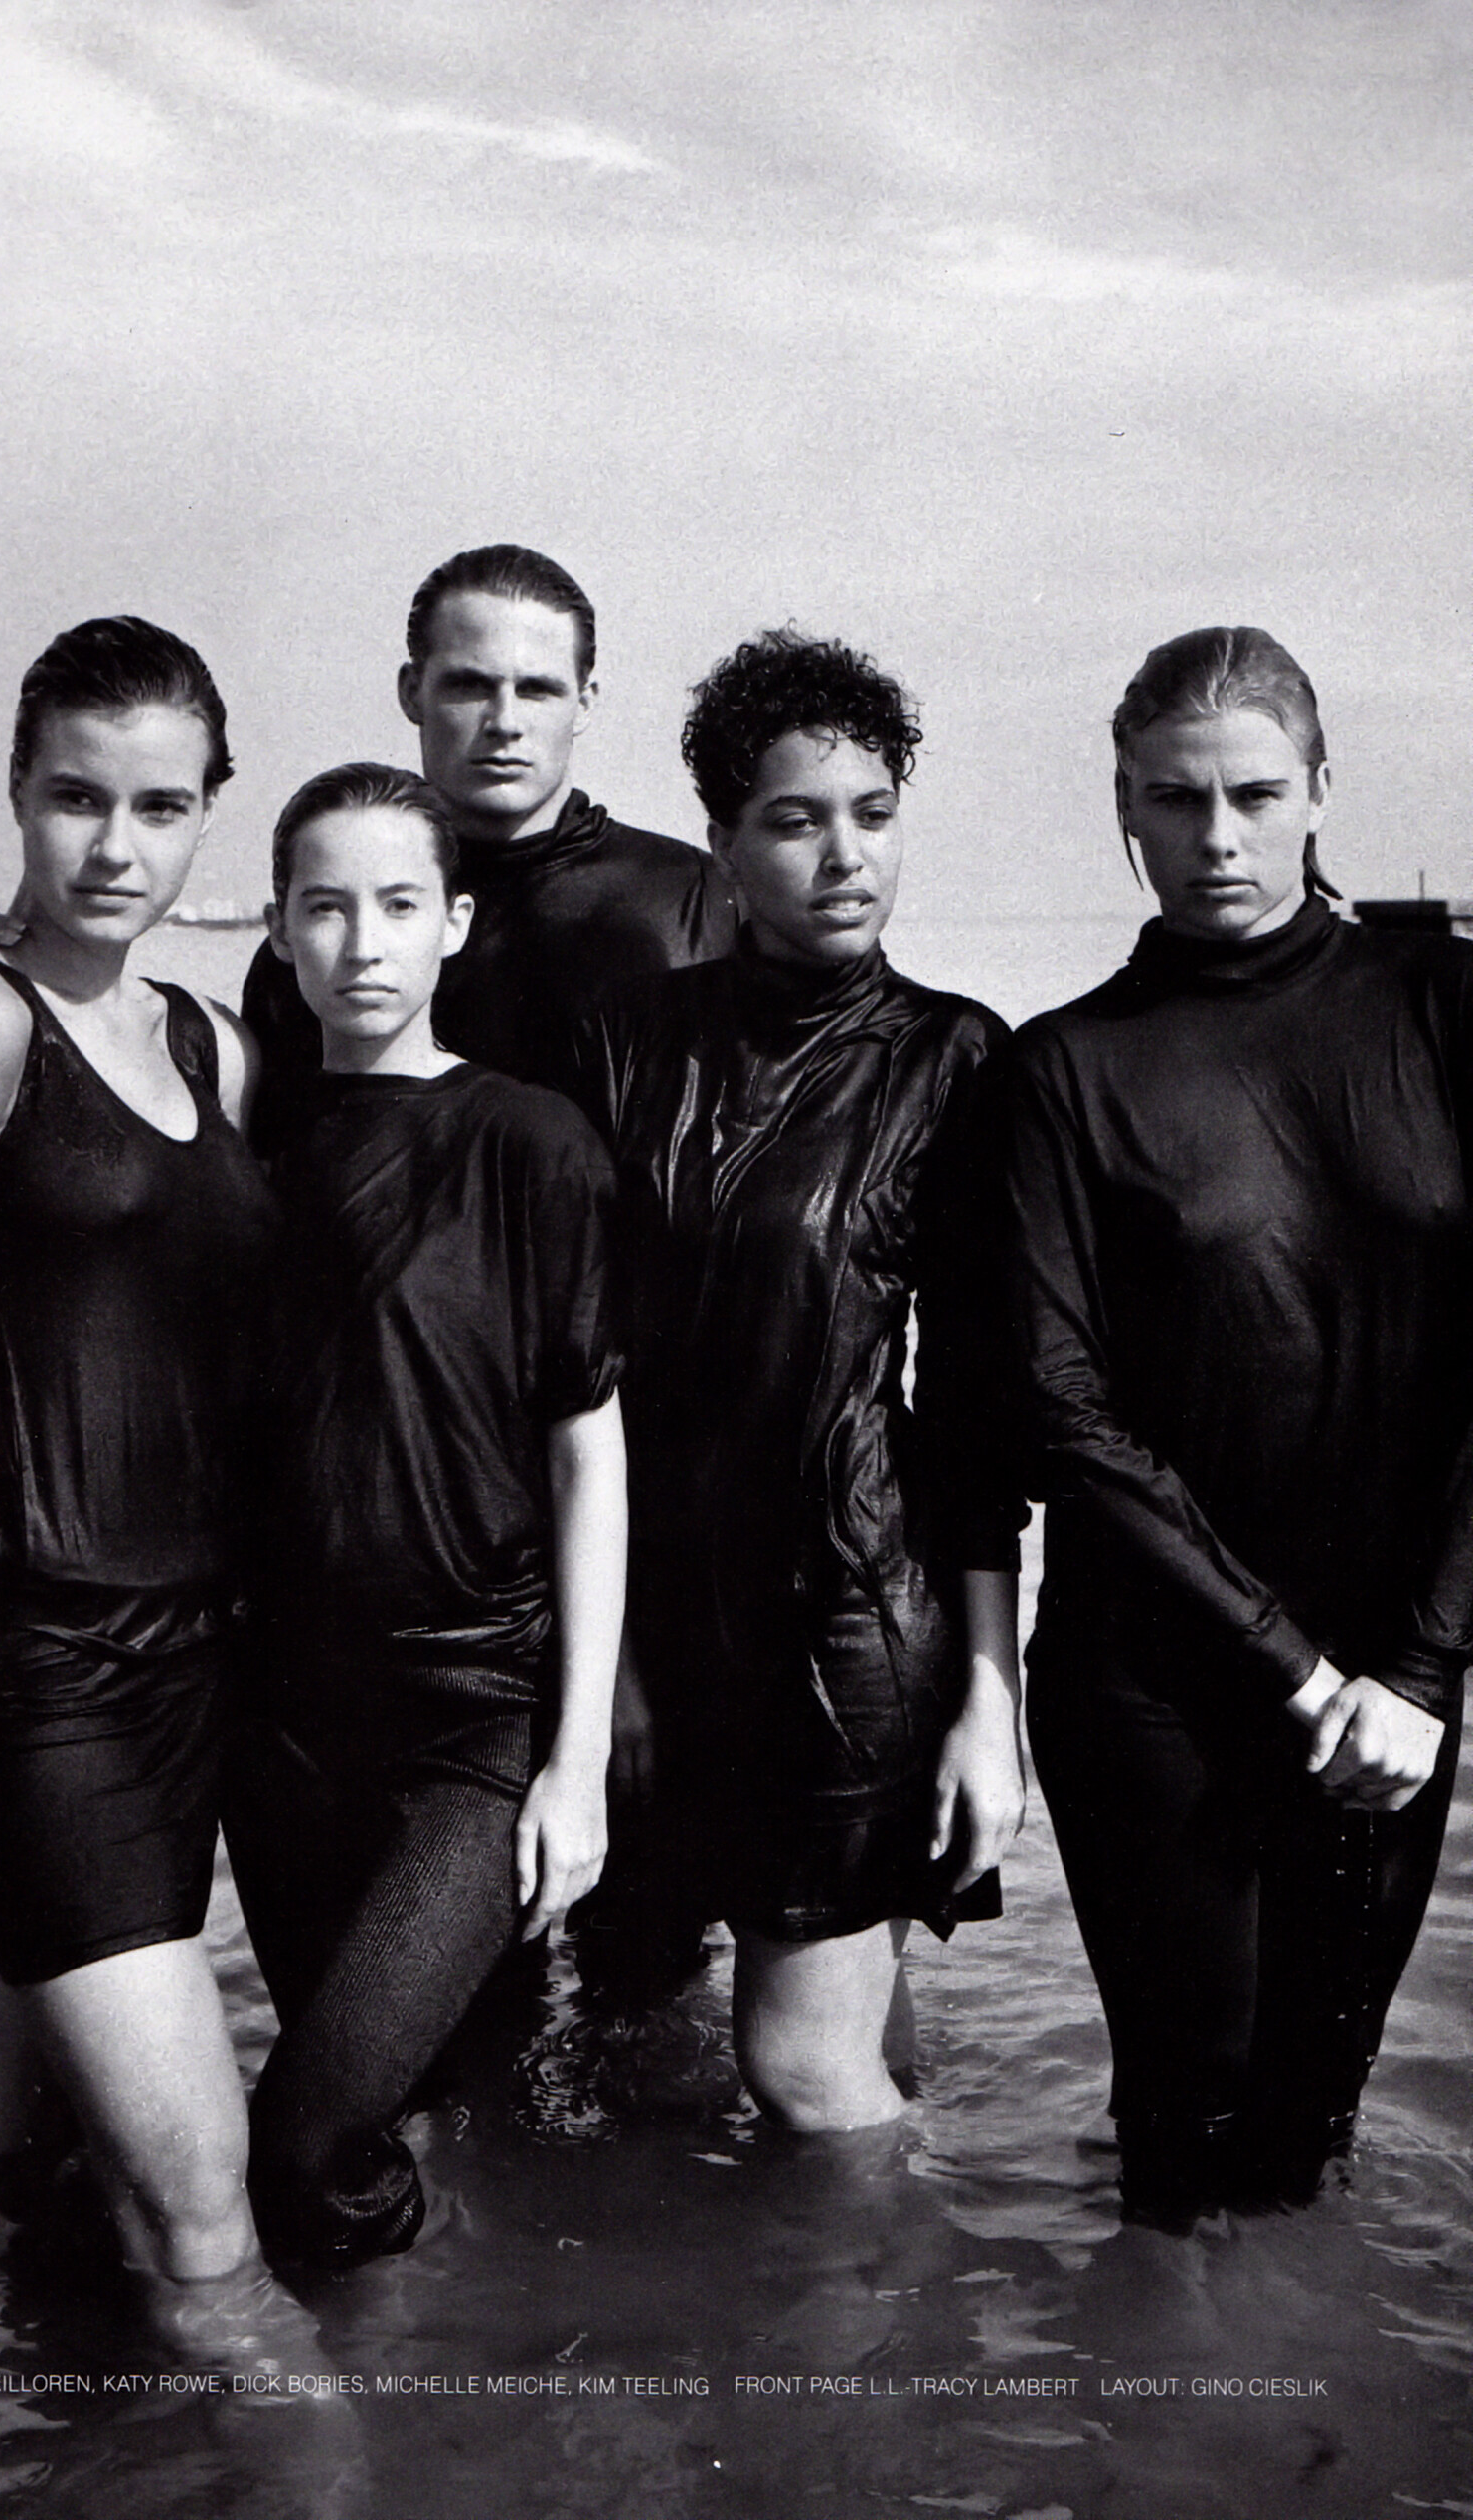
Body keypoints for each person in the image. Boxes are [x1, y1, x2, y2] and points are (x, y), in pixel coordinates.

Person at [0, 618, 311, 2364]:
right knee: (204, 2224)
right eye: (75, 798)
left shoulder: (213, 1044)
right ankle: (352, 2463)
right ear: (18, 795)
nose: (115, 845)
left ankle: (45, 2431)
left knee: (47, 2152)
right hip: (32, 1660)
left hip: (193, 1659)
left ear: (208, 815)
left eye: (160, 806)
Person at [1005, 626, 1469, 2221]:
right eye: (1174, 799)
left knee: (1312, 2125)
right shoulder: (1066, 1070)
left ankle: (1289, 2368)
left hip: (1392, 1678)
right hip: (1154, 1673)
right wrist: (1299, 1668)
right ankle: (1150, 2365)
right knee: (1182, 2129)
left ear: (1321, 787)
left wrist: (1422, 1666)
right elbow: (1058, 1408)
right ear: (1123, 806)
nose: (1217, 838)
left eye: (1256, 795)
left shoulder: (1444, 1006)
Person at [568, 630, 1025, 2129]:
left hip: (849, 1615)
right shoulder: (626, 1045)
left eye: (874, 814)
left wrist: (993, 1701)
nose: (846, 856)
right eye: (796, 819)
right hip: (654, 1616)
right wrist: (604, 1664)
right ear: (720, 840)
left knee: (800, 2067)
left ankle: (916, 2282)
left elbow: (979, 1411)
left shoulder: (955, 1058)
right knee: (643, 2034)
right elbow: (569, 1370)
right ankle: (872, 2261)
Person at [225, 762, 627, 2264]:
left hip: (471, 1717)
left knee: (305, 2131)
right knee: (413, 2111)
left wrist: (577, 1760)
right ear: (279, 928)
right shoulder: (245, 1145)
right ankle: (437, 2370)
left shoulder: (533, 1141)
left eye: (399, 905)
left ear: (455, 922)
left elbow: (590, 1459)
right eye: (324, 908)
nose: (362, 943)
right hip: (280, 1722)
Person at [239, 544, 735, 1145]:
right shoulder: (324, 945)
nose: (504, 723)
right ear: (411, 691)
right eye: (471, 685)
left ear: (584, 704)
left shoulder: (696, 900)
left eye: (536, 689)